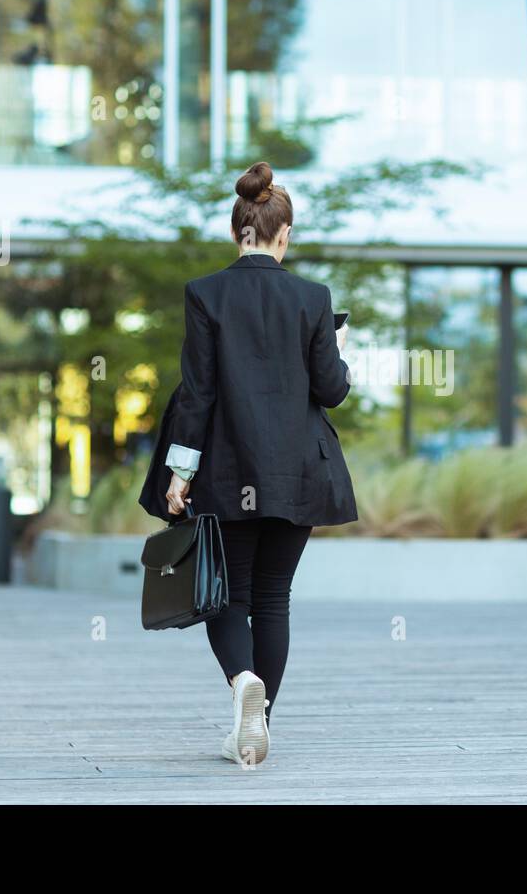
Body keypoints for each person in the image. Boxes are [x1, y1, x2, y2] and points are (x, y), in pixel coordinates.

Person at [138, 161, 357, 766]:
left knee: (227, 600)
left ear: (238, 231)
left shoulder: (205, 294)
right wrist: (338, 351)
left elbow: (197, 395)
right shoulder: (314, 299)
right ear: (282, 234)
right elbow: (331, 391)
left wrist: (178, 476)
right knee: (274, 600)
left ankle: (242, 686)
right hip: (299, 474)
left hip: (228, 473)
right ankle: (258, 724)